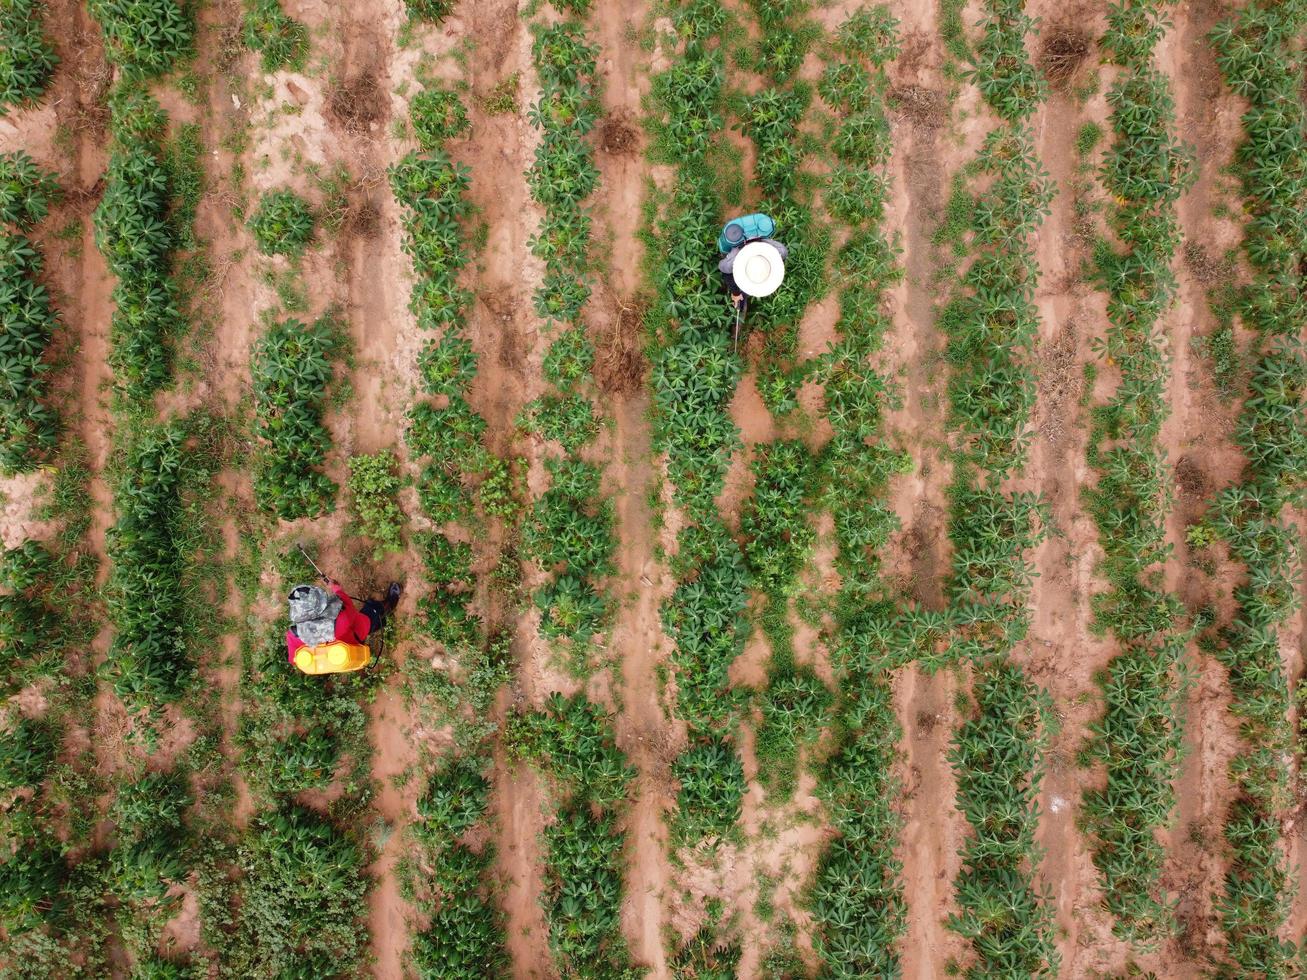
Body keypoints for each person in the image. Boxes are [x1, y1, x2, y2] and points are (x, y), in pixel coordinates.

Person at [286, 580, 401, 665]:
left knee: (371, 622)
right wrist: (336, 588)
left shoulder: (294, 635)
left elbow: (294, 660)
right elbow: (342, 597)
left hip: (342, 653)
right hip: (360, 628)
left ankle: (382, 622)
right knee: (373, 612)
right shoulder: (342, 615)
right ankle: (390, 604)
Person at [719, 236, 788, 313]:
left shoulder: (781, 251)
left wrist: (736, 294)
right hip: (738, 239)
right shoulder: (730, 264)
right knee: (727, 265)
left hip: (761, 240)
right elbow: (724, 270)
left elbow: (781, 260)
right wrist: (736, 293)